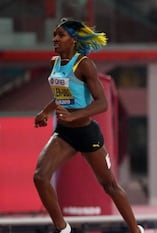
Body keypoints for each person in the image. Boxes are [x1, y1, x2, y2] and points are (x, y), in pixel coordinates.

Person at [33, 18, 144, 233]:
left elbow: (102, 103)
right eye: (54, 35)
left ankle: (135, 230)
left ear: (73, 40)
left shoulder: (83, 65)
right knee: (40, 176)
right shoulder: (54, 64)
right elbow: (62, 97)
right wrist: (45, 112)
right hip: (65, 134)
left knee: (109, 186)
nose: (55, 39)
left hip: (86, 134)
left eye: (61, 35)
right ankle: (63, 228)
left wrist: (76, 117)